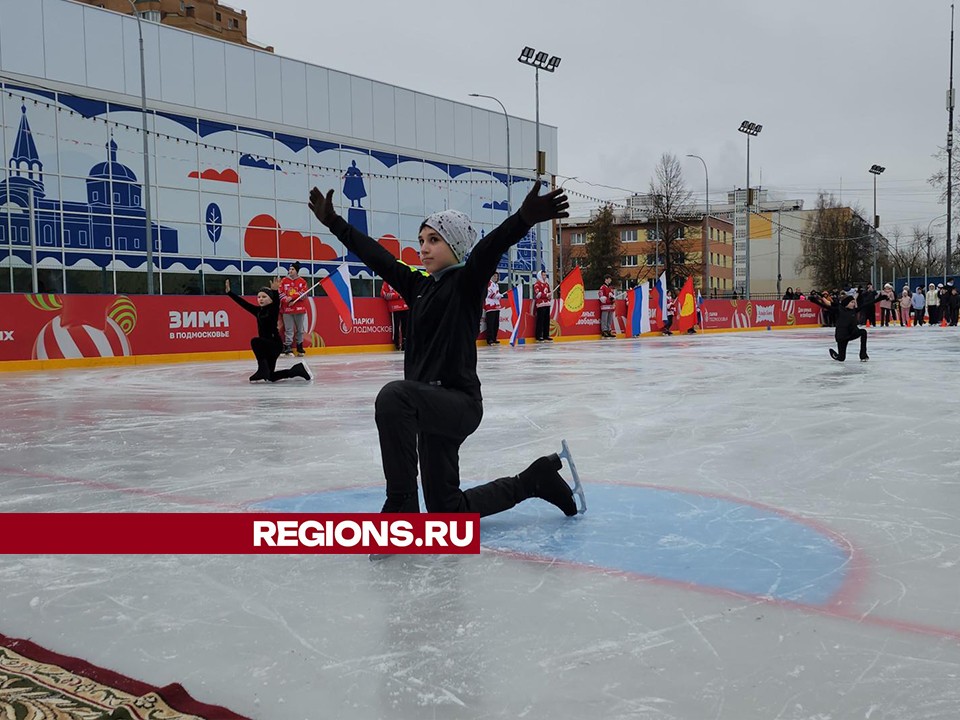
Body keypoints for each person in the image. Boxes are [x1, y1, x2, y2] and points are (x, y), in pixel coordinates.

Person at [308, 183, 583, 518]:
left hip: (458, 403)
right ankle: (534, 480)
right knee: (446, 511)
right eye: (421, 240)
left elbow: (489, 248)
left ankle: (401, 508)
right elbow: (376, 257)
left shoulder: (467, 282)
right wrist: (335, 223)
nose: (423, 248)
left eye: (433, 240)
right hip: (427, 408)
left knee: (394, 397)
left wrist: (524, 218)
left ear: (454, 245)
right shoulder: (418, 286)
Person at [225, 279, 312, 382]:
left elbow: (276, 302)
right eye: (259, 297)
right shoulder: (258, 311)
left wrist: (275, 291)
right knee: (270, 376)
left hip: (274, 345)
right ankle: (296, 370)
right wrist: (230, 293)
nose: (260, 299)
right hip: (265, 347)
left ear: (270, 299)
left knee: (255, 341)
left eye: (264, 297)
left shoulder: (273, 309)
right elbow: (243, 303)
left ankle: (261, 369)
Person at [809, 290, 878, 362]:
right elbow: (826, 306)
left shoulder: (854, 310)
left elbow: (866, 304)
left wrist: (880, 298)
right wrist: (815, 301)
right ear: (846, 303)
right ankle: (836, 355)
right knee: (841, 358)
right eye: (852, 302)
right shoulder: (839, 310)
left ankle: (863, 355)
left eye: (854, 302)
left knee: (863, 332)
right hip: (842, 336)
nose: (854, 304)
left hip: (852, 333)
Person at [279, 262, 309, 356]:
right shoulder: (284, 281)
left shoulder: (302, 281)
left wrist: (292, 298)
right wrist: (286, 300)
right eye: (290, 269)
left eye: (292, 269)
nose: (290, 271)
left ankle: (300, 346)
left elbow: (304, 294)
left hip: (299, 309)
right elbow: (280, 292)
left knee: (300, 329)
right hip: (287, 309)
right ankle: (288, 346)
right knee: (288, 329)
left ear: (297, 271)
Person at [381, 280, 409, 351]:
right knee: (396, 326)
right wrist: (397, 295)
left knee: (406, 326)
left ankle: (405, 343)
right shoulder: (387, 282)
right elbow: (383, 294)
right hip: (395, 307)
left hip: (405, 306)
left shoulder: (403, 279)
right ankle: (397, 343)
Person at [533, 270, 553, 342]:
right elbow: (538, 295)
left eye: (545, 275)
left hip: (547, 304)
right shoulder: (537, 284)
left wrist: (549, 296)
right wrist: (546, 295)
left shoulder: (547, 284)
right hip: (540, 305)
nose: (544, 277)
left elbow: (549, 293)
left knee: (546, 320)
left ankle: (546, 335)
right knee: (540, 320)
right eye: (543, 275)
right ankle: (539, 336)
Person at [483, 273, 503, 345]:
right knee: (490, 324)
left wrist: (499, 296)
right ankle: (490, 339)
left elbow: (496, 294)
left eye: (497, 276)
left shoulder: (496, 285)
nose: (496, 277)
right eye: (494, 276)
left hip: (497, 306)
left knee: (496, 324)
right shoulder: (489, 283)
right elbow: (488, 294)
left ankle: (494, 338)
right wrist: (497, 296)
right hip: (490, 306)